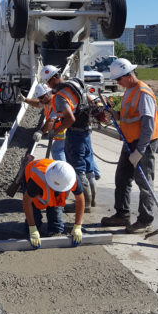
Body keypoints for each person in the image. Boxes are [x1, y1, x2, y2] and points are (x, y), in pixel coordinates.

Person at [101, 58, 158, 234]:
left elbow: (148, 125)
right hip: (129, 141)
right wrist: (116, 113)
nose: (117, 83)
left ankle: (145, 220)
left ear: (129, 75)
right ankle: (122, 214)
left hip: (144, 142)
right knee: (122, 178)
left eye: (118, 79)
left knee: (144, 182)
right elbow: (130, 115)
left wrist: (140, 151)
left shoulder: (143, 93)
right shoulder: (129, 90)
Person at [39, 65, 105, 212]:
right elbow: (89, 99)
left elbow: (70, 118)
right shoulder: (76, 82)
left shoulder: (60, 96)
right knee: (89, 167)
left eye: (48, 82)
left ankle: (84, 204)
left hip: (75, 134)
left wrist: (56, 131)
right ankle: (92, 200)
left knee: (78, 169)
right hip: (86, 131)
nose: (49, 86)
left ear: (54, 78)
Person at [22, 156, 85, 247]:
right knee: (34, 218)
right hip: (30, 174)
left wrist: (78, 226)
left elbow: (80, 200)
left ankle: (53, 228)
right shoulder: (37, 180)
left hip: (52, 174)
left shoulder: (71, 177)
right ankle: (32, 225)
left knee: (56, 226)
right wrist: (32, 228)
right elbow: (26, 202)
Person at [22, 83, 67, 161]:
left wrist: (41, 132)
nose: (41, 100)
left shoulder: (55, 102)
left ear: (48, 93)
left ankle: (63, 171)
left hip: (65, 131)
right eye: (39, 98)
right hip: (60, 132)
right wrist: (25, 100)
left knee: (57, 151)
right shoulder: (46, 101)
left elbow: (51, 120)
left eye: (42, 97)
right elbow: (37, 103)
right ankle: (93, 172)